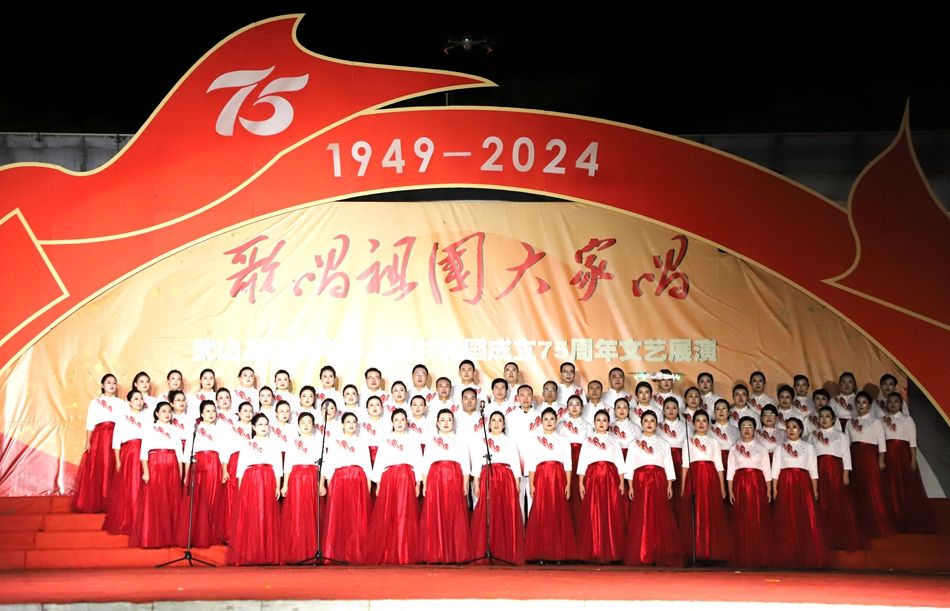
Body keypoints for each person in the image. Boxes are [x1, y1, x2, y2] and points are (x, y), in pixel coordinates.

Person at [623, 410, 682, 567]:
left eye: (652, 421)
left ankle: (659, 551)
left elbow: (668, 464)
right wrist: (630, 486)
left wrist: (669, 485)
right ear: (641, 424)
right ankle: (642, 552)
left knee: (659, 514)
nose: (649, 424)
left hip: (658, 480)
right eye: (646, 421)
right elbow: (629, 465)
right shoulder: (634, 444)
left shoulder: (664, 443)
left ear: (656, 424)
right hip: (640, 480)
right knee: (641, 514)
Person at [367, 408, 423, 564]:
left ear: (406, 422)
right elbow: (380, 461)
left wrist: (418, 483)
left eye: (402, 419)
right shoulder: (386, 439)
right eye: (396, 420)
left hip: (406, 478)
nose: (399, 423)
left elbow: (418, 462)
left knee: (405, 514)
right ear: (392, 422)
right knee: (388, 513)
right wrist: (378, 483)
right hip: (389, 478)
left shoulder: (413, 439)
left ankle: (404, 552)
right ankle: (387, 552)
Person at [470, 411, 524, 564]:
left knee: (504, 512)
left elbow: (515, 465)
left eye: (500, 420)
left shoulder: (510, 442)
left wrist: (516, 483)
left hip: (505, 478)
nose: (496, 423)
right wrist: (476, 482)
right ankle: (487, 549)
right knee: (488, 512)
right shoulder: (482, 441)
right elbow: (477, 463)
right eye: (493, 420)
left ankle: (505, 552)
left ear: (504, 424)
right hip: (487, 476)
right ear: (489, 424)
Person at [419, 409, 472, 563]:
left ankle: (454, 553)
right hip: (435, 479)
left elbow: (465, 465)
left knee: (454, 514)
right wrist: (425, 484)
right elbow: (426, 464)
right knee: (436, 514)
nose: (446, 423)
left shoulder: (460, 440)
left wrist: (465, 484)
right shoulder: (432, 440)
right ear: (437, 423)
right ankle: (436, 553)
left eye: (449, 419)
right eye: (442, 420)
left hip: (455, 477)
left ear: (454, 423)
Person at [771, 418, 826, 568]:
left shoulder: (809, 447)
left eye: (794, 427)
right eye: (788, 427)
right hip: (785, 483)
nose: (791, 430)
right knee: (786, 518)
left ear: (801, 430)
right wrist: (774, 489)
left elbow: (813, 470)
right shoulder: (780, 448)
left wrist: (814, 490)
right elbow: (775, 470)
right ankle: (787, 555)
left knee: (803, 517)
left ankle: (804, 554)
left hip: (803, 484)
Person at [524, 407, 576, 563]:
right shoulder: (535, 439)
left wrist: (568, 484)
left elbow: (568, 464)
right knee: (542, 512)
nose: (549, 422)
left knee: (557, 512)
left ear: (556, 421)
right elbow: (531, 463)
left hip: (558, 477)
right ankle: (542, 553)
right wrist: (532, 484)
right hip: (541, 477)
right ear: (541, 421)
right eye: (546, 419)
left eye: (552, 419)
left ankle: (558, 554)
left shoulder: (563, 440)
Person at [230, 413, 282, 565]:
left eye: (266, 424)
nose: (263, 427)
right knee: (252, 515)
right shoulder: (247, 444)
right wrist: (241, 490)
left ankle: (267, 554)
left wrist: (278, 486)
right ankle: (250, 553)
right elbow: (241, 469)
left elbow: (278, 466)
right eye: (260, 424)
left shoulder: (274, 444)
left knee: (267, 515)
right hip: (251, 480)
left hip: (268, 479)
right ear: (253, 427)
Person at [322, 412, 373, 564]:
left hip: (358, 481)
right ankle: (337, 553)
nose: (351, 424)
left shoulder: (362, 442)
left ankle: (356, 552)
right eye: (348, 422)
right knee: (339, 517)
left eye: (354, 422)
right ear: (342, 424)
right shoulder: (335, 441)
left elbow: (367, 467)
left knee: (356, 517)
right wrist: (327, 485)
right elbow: (329, 465)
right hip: (339, 481)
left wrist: (368, 486)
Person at [881, 392, 936, 533]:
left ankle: (907, 519)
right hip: (888, 455)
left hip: (902, 455)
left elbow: (912, 441)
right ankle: (893, 519)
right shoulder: (882, 420)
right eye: (890, 401)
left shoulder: (907, 419)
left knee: (904, 485)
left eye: (896, 401)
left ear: (901, 404)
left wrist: (913, 459)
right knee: (890, 486)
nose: (893, 404)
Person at [131, 401, 184, 548]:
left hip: (172, 465)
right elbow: (144, 453)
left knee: (171, 500)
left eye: (169, 411)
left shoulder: (175, 430)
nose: (167, 414)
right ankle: (153, 537)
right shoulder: (149, 429)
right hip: (155, 465)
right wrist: (146, 472)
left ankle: (171, 536)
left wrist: (181, 473)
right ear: (156, 413)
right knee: (155, 500)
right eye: (163, 411)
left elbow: (180, 454)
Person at [679, 409, 730, 563]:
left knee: (710, 512)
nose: (701, 424)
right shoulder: (688, 441)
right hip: (694, 477)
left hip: (710, 478)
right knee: (695, 513)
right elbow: (685, 466)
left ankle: (710, 550)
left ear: (708, 424)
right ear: (693, 423)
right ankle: (696, 551)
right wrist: (683, 487)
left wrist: (722, 487)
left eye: (704, 421)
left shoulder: (714, 442)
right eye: (698, 421)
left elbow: (719, 466)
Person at [576, 409, 626, 563]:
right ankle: (594, 550)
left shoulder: (614, 440)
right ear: (594, 423)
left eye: (604, 420)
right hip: (593, 478)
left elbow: (619, 461)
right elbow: (582, 462)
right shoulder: (588, 440)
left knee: (611, 512)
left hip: (610, 477)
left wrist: (621, 481)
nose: (601, 423)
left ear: (609, 423)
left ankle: (612, 551)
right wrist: (581, 483)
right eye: (598, 420)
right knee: (593, 511)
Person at [176, 399, 226, 548]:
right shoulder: (194, 429)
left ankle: (210, 534)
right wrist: (186, 474)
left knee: (213, 498)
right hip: (198, 464)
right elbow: (187, 453)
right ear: (201, 414)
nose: (211, 414)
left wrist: (224, 470)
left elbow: (223, 452)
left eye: (213, 411)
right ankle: (197, 535)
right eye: (207, 411)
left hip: (214, 465)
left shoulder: (220, 430)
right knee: (198, 501)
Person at [813, 406, 863, 551]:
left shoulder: (840, 435)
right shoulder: (812, 436)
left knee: (836, 501)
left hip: (835, 470)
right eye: (821, 416)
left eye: (827, 416)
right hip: (818, 470)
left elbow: (846, 455)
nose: (824, 419)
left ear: (834, 419)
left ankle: (837, 537)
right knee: (821, 501)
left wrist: (846, 473)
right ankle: (822, 538)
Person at [847, 391, 895, 538]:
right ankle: (859, 524)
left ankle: (876, 523)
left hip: (870, 457)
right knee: (857, 489)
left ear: (869, 405)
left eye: (864, 402)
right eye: (858, 402)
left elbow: (882, 443)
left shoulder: (876, 422)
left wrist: (881, 460)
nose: (861, 405)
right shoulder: (850, 423)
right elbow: (847, 445)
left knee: (872, 489)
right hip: (854, 457)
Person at [73, 373, 124, 513]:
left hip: (115, 436)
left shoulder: (121, 403)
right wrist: (88, 441)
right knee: (99, 467)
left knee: (113, 467)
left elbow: (124, 423)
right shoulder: (95, 402)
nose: (112, 385)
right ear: (102, 385)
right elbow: (90, 423)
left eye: (114, 382)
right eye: (109, 382)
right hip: (99, 437)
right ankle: (98, 500)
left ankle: (112, 503)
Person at [726, 416, 772, 567]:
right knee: (741, 518)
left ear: (755, 430)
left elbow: (767, 471)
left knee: (757, 517)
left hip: (757, 485)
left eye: (750, 426)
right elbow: (730, 471)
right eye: (744, 427)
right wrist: (730, 490)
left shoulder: (761, 448)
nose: (747, 430)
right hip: (739, 485)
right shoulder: (734, 448)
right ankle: (742, 554)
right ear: (739, 429)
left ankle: (758, 554)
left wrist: (769, 490)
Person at [279, 412, 322, 564]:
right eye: (303, 422)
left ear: (313, 425)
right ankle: (295, 551)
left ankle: (311, 551)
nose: (306, 425)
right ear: (298, 425)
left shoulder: (319, 442)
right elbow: (288, 465)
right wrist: (285, 484)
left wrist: (320, 482)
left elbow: (321, 465)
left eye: (309, 422)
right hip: (296, 478)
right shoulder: (292, 441)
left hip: (312, 477)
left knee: (310, 513)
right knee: (296, 512)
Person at [103, 390, 147, 535]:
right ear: (129, 402)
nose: (139, 401)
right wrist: (118, 460)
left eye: (141, 399)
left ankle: (144, 521)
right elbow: (116, 441)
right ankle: (130, 520)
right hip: (130, 454)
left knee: (144, 487)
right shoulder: (123, 418)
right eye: (136, 399)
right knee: (131, 486)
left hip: (145, 454)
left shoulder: (148, 417)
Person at [216, 401, 253, 544]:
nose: (248, 413)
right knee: (233, 497)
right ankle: (232, 533)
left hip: (251, 464)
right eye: (245, 410)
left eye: (250, 411)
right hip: (234, 463)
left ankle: (247, 533)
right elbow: (225, 449)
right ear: (239, 413)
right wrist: (224, 469)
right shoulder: (233, 428)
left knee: (248, 497)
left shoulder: (257, 427)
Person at [556, 395, 588, 526]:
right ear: (567, 407)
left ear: (582, 408)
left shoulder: (588, 426)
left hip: (582, 462)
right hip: (565, 462)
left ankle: (581, 526)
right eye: (571, 404)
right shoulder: (560, 425)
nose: (574, 407)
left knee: (581, 492)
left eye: (577, 404)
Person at [711, 399, 740, 466]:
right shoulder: (708, 430)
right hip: (714, 464)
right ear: (714, 413)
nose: (721, 411)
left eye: (724, 409)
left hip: (732, 463)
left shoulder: (736, 430)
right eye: (718, 409)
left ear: (729, 412)